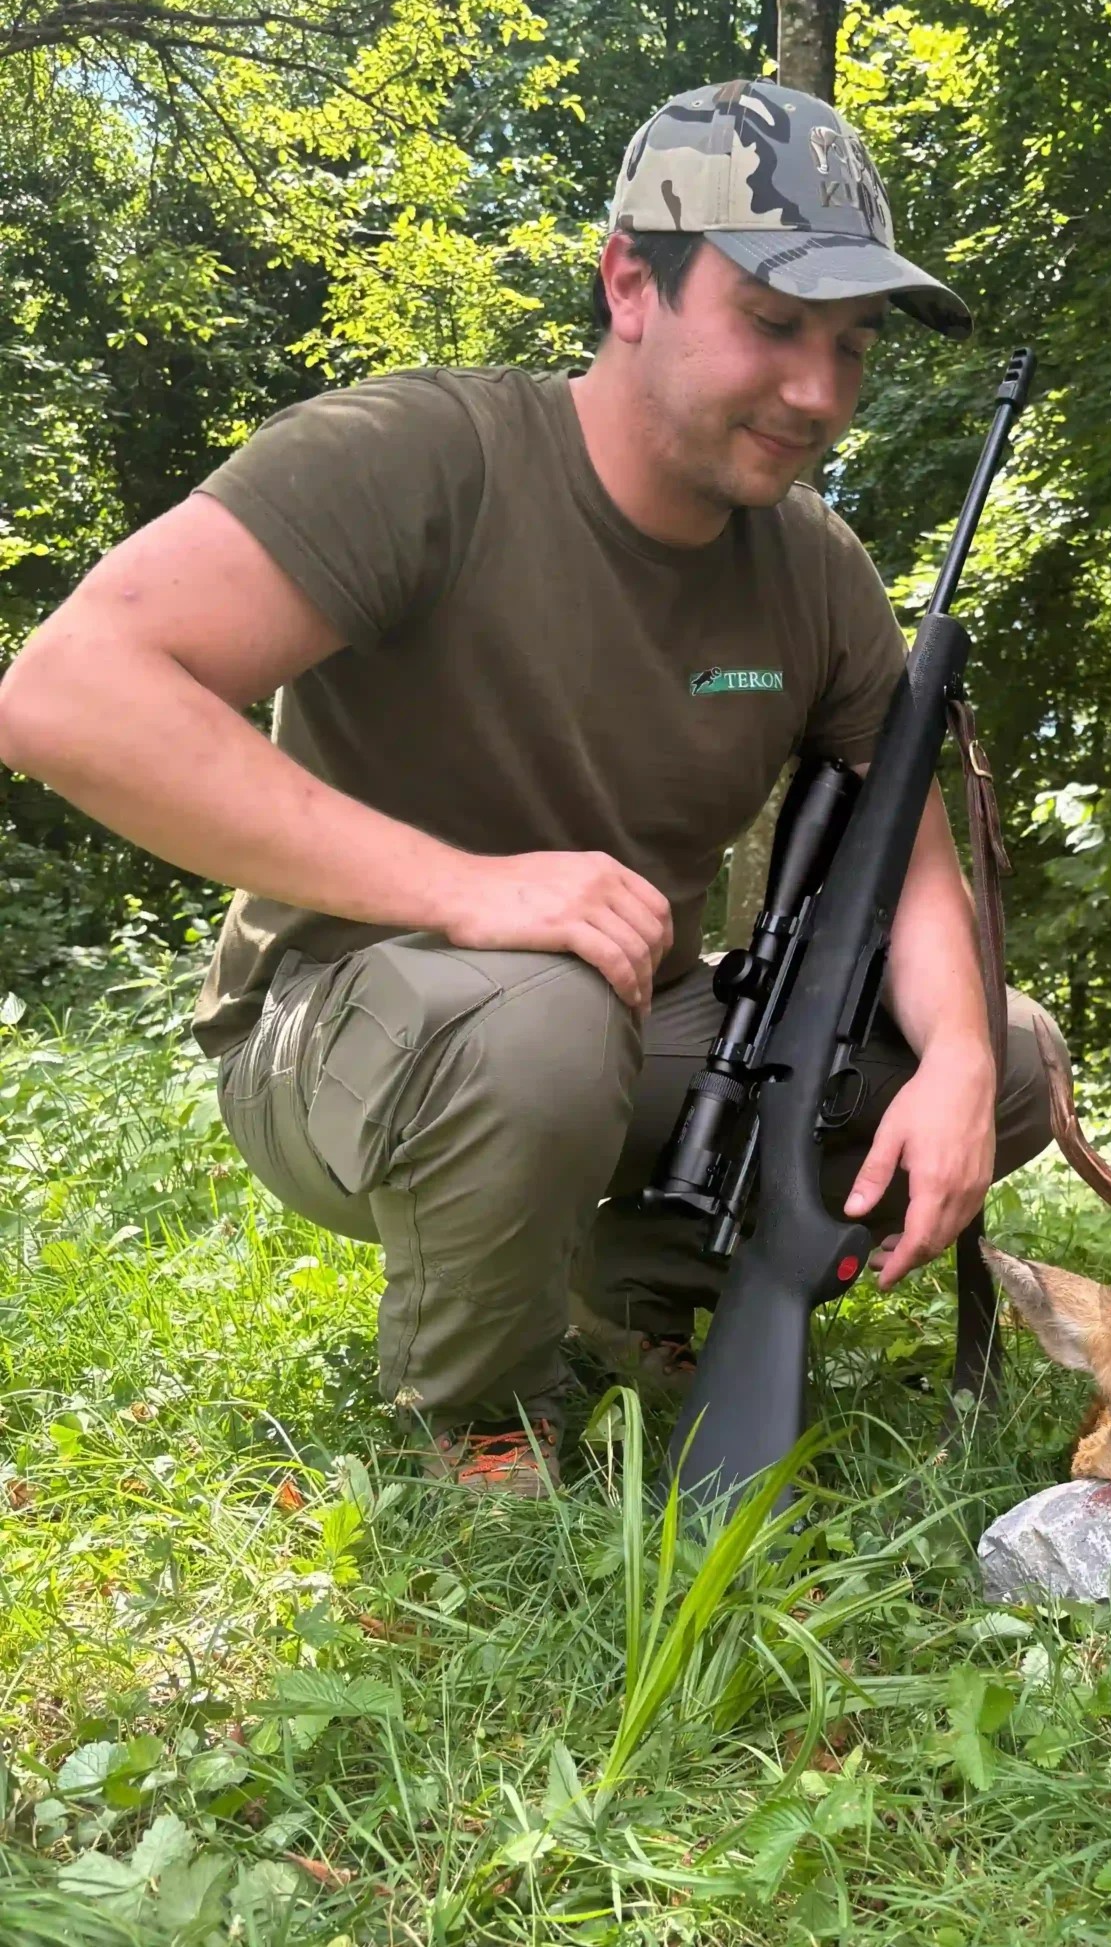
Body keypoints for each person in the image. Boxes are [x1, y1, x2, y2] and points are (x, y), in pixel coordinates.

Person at [0, 78, 1056, 1493]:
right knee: (540, 1015)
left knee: (1009, 1049)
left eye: (854, 345)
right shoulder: (423, 459)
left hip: (613, 1023)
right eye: (774, 324)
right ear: (631, 281)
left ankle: (641, 1270)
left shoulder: (816, 570)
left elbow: (899, 844)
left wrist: (967, 1066)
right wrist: (473, 891)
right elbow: (65, 694)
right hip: (335, 1026)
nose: (821, 393)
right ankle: (481, 1414)